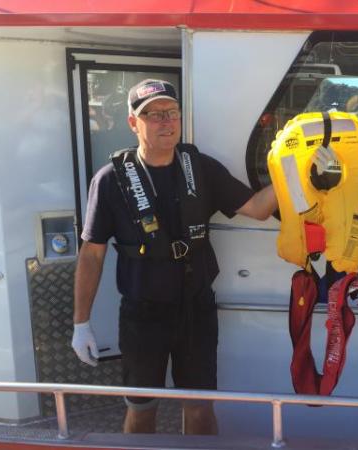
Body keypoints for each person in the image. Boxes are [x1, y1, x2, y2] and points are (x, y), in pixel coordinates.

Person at [71, 79, 277, 435]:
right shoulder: (110, 181)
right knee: (141, 410)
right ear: (133, 123)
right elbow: (91, 255)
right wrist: (81, 323)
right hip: (142, 314)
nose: (166, 122)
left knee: (199, 410)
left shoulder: (201, 168)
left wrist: (296, 172)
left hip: (195, 309)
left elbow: (258, 209)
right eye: (153, 115)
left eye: (172, 113)